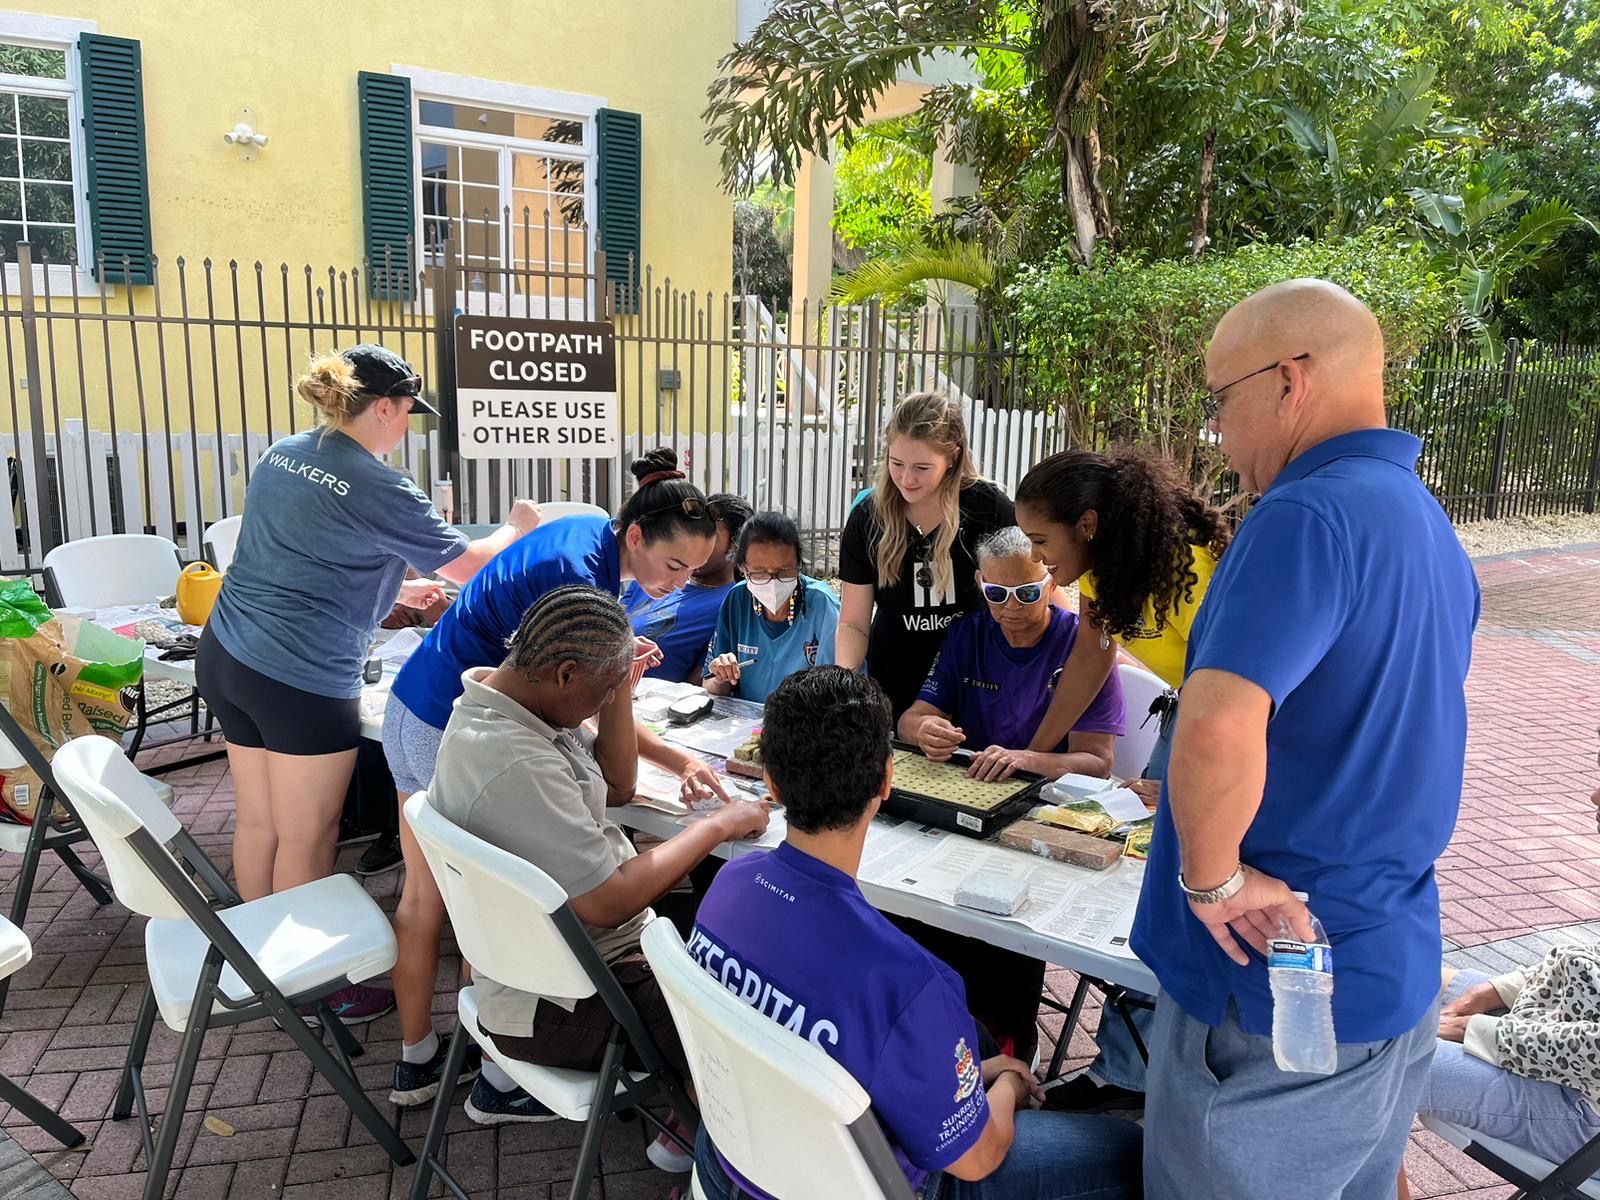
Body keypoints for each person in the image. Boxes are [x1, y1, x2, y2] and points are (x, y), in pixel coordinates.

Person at [1132, 279, 1480, 1200]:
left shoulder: (1304, 514)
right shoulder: (1424, 521)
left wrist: (1212, 880)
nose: (1215, 430)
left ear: (1290, 380)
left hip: (1274, 990)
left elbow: (1216, 723)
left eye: (1220, 399)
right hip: (1383, 970)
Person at [688, 665, 1144, 1200]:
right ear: (887, 780)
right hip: (868, 1185)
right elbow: (976, 1158)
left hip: (729, 1158)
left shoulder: (728, 884)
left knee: (972, 1044)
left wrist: (974, 1074)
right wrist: (1009, 1084)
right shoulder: (909, 981)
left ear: (769, 780)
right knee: (1131, 1152)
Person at [196, 344, 540, 1022]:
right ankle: (309, 986)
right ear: (383, 407)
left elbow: (306, 553)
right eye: (408, 411)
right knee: (307, 835)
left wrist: (398, 590)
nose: (408, 425)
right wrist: (516, 527)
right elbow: (470, 567)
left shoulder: (285, 454)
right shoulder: (376, 482)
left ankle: (261, 963)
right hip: (299, 676)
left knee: (261, 820)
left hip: (228, 654)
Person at [384, 448, 735, 1108]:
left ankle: (423, 1057)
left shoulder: (592, 533)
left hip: (422, 700)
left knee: (435, 895)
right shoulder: (576, 584)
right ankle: (494, 1069)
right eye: (675, 566)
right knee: (480, 895)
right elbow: (574, 698)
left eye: (695, 570)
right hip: (454, 717)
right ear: (637, 536)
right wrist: (627, 693)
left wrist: (676, 755)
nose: (682, 583)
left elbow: (579, 694)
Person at [427, 585, 770, 1156]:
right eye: (606, 688)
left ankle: (695, 1122)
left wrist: (616, 688)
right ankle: (711, 1151)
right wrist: (718, 825)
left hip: (555, 966)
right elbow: (609, 902)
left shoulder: (503, 705)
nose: (611, 698)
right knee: (747, 1024)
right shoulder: (517, 758)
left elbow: (617, 783)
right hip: (567, 995)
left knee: (727, 960)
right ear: (565, 673)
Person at [1011, 447, 1232, 1113]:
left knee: (1179, 889)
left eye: (1042, 541)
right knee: (1148, 884)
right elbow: (1089, 659)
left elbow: (1244, 705)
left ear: (1087, 525)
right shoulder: (1104, 566)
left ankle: (1142, 1081)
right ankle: (1126, 1071)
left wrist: (1188, 790)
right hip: (1189, 715)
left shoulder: (1194, 565)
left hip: (1230, 730)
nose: (1037, 559)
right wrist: (1032, 753)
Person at [835, 391, 1016, 720]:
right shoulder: (867, 517)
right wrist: (845, 680)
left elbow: (1034, 587)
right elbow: (853, 622)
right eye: (896, 464)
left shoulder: (989, 508)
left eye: (922, 467)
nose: (906, 479)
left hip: (974, 681)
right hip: (893, 681)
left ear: (953, 458)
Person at [899, 526, 1126, 782]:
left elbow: (1097, 762)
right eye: (996, 593)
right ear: (980, 583)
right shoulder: (967, 636)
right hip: (975, 781)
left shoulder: (1084, 647)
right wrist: (924, 731)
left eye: (1027, 593)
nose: (1012, 606)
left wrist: (1027, 761)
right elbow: (909, 721)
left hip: (1045, 790)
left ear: (1052, 584)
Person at [1393, 949, 1600, 1200]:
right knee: (1403, 977)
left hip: (1582, 1103)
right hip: (1568, 1009)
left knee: (1381, 1066)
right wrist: (1492, 992)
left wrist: (1474, 1030)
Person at [703, 511, 841, 703]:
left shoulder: (822, 604)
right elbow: (709, 687)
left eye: (784, 572)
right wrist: (721, 676)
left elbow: (839, 691)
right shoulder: (737, 599)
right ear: (742, 567)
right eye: (759, 573)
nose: (773, 582)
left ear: (798, 564)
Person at [624, 494, 752, 684]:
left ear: (735, 546)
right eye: (695, 532)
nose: (697, 543)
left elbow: (703, 679)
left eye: (710, 536)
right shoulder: (655, 569)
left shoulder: (732, 601)